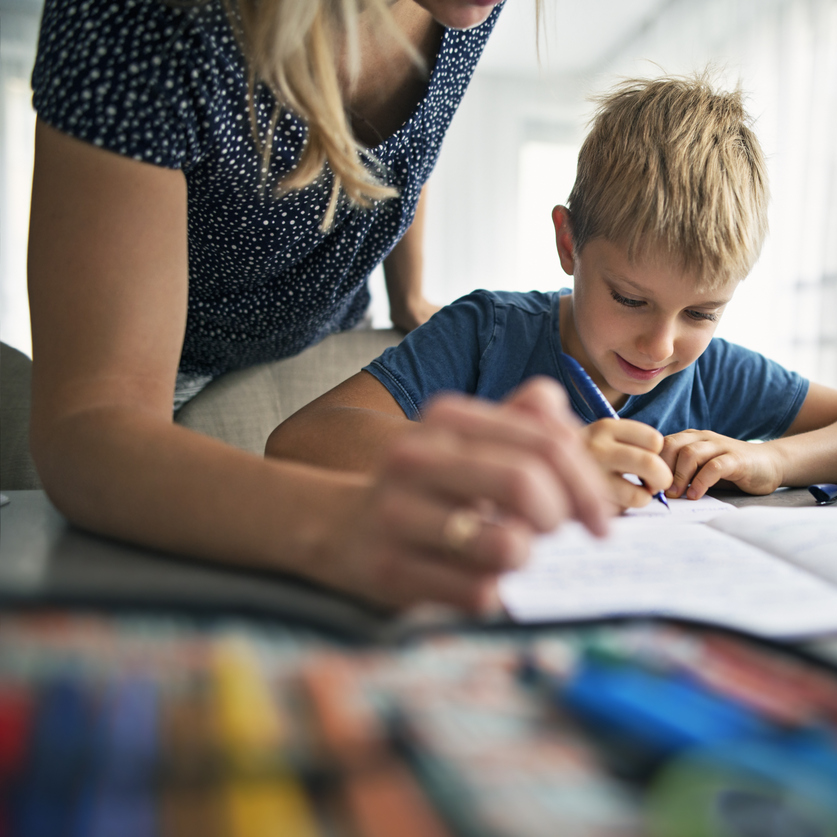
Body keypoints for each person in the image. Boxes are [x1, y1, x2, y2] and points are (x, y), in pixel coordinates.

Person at [26, 0, 611, 614]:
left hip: (320, 327)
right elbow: (90, 423)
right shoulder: (143, 21)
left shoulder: (465, 12)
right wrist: (339, 527)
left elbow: (412, 146)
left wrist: (407, 290)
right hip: (165, 364)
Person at [266, 75, 837, 508]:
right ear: (569, 244)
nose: (662, 344)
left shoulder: (713, 372)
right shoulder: (488, 333)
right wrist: (525, 461)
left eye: (701, 311)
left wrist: (772, 458)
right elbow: (304, 440)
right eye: (632, 299)